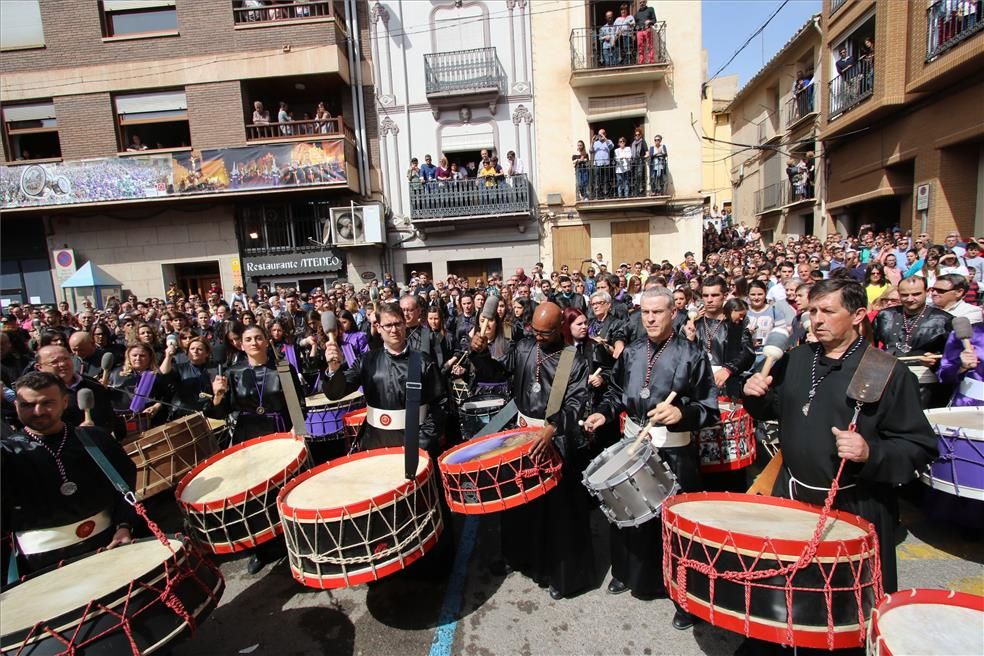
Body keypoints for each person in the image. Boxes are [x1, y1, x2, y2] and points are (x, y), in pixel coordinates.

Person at [742, 279, 937, 597]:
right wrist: (755, 395)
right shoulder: (798, 358)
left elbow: (919, 447)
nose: (817, 319)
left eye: (828, 311)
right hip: (792, 496)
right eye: (812, 310)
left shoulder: (884, 370)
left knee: (844, 602)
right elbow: (774, 409)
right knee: (787, 592)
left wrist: (870, 452)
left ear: (859, 314)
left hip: (854, 504)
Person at [584, 288, 717, 629]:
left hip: (674, 449)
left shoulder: (692, 354)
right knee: (628, 512)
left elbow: (709, 408)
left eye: (658, 312)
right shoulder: (631, 352)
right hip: (633, 444)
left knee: (674, 527)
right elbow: (615, 392)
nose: (651, 318)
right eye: (646, 313)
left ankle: (684, 598)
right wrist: (603, 412)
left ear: (674, 313)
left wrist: (682, 412)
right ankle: (628, 573)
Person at [469, 302, 594, 600]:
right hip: (520, 436)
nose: (538, 337)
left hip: (555, 439)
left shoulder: (572, 360)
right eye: (535, 331)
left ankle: (557, 574)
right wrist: (481, 352)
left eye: (545, 333)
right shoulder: (525, 347)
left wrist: (552, 428)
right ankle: (517, 558)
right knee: (518, 508)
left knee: (556, 514)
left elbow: (577, 403)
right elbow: (498, 374)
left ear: (559, 328)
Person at [2, 372, 137, 577]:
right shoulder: (9, 452)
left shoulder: (95, 439)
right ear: (16, 406)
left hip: (109, 544)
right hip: (41, 564)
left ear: (65, 402)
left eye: (47, 403)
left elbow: (125, 486)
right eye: (27, 405)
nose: (37, 411)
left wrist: (125, 524)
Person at [322, 302, 444, 452]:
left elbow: (440, 405)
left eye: (398, 324)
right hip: (375, 443)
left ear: (405, 324)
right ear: (378, 328)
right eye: (388, 325)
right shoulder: (366, 361)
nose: (394, 330)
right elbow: (335, 393)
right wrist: (334, 369)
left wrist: (420, 442)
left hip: (416, 444)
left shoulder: (424, 361)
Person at [872, 276, 953, 408]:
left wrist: (936, 363)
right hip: (887, 380)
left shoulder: (944, 320)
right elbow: (870, 347)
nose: (910, 299)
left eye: (916, 294)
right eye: (904, 295)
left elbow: (952, 361)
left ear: (927, 292)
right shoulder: (884, 315)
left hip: (925, 386)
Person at [684, 276, 754, 397]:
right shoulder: (692, 323)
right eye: (705, 296)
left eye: (714, 295)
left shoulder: (734, 323)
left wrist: (729, 369)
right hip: (697, 388)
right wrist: (689, 340)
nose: (709, 300)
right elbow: (681, 357)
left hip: (727, 389)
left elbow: (747, 353)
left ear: (725, 295)